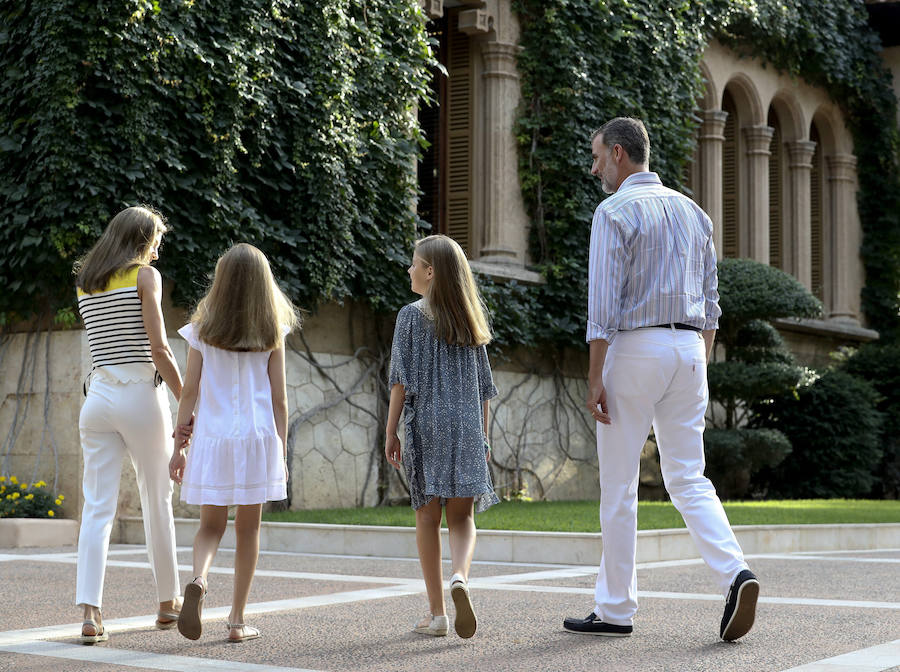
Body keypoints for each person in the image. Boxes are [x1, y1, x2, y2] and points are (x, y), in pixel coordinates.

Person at [563, 117, 759, 641]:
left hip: (635, 348)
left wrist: (595, 376)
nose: (594, 168)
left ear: (619, 154)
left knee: (619, 485)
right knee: (690, 478)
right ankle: (736, 573)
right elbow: (712, 304)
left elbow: (603, 305)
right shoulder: (695, 212)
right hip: (690, 350)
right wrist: (699, 364)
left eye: (597, 157)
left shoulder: (613, 211)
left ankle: (615, 609)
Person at [168, 243, 298, 643]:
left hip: (213, 438)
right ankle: (237, 620)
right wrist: (281, 450)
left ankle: (199, 579)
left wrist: (178, 446)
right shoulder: (273, 331)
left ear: (220, 281)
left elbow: (189, 391)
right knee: (248, 529)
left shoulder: (201, 331)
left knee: (210, 526)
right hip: (257, 438)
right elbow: (279, 399)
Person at [74, 205, 184, 644]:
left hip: (98, 397)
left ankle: (90, 613)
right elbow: (160, 349)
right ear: (141, 239)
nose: (157, 251)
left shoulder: (87, 281)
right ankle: (167, 602)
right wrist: (187, 398)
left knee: (97, 507)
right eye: (155, 241)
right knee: (157, 499)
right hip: (141, 394)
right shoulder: (145, 277)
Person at [385, 234, 500, 639]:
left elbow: (399, 382)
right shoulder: (470, 318)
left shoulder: (410, 316)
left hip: (427, 424)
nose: (409, 269)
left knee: (427, 517)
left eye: (414, 263)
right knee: (463, 517)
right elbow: (484, 388)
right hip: (467, 425)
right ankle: (460, 576)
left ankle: (437, 615)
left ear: (430, 272)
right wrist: (483, 437)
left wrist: (391, 432)